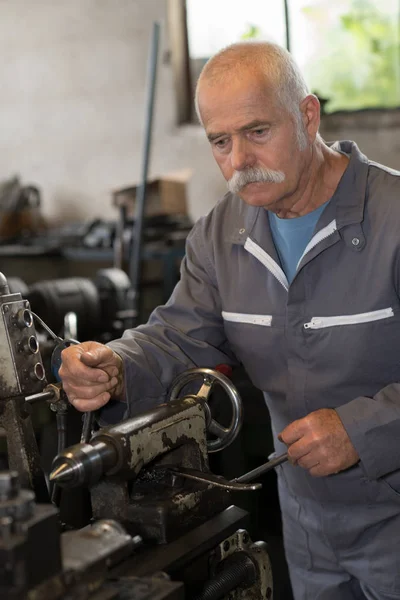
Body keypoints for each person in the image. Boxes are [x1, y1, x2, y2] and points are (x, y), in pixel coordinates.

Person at [59, 41, 400, 600]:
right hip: (307, 519)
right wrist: (116, 364)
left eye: (258, 131)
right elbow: (176, 335)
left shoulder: (393, 217)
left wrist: (361, 431)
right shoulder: (222, 235)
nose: (239, 160)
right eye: (221, 141)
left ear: (307, 115)